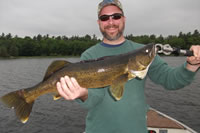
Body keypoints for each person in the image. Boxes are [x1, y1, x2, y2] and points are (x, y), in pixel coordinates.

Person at [56, 0, 200, 132]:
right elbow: (94, 98)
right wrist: (83, 94)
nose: (111, 22)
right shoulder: (89, 55)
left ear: (124, 19)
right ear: (99, 22)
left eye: (116, 16)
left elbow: (171, 80)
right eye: (104, 18)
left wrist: (191, 65)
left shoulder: (143, 52)